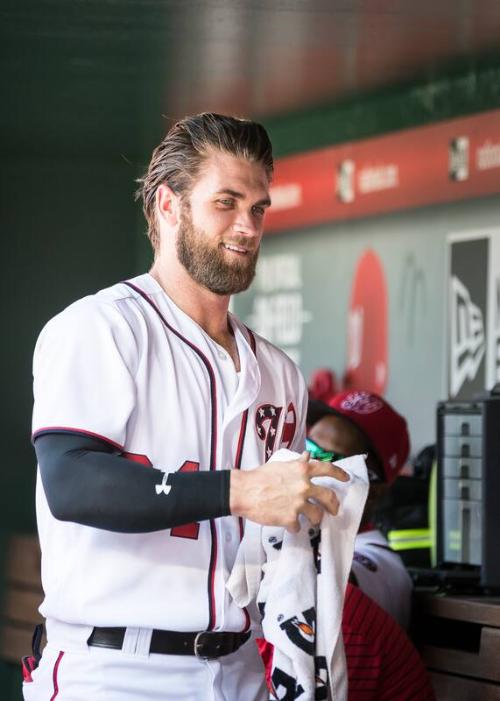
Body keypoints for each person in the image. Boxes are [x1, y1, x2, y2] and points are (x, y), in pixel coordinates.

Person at [26, 113, 348, 701]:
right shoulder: (100, 329)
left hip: (242, 668)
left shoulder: (279, 373)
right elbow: (70, 483)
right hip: (116, 670)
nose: (246, 226)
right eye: (225, 202)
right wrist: (241, 490)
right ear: (168, 206)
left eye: (258, 208)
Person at [307, 391, 414, 628]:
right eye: (308, 446)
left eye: (327, 457)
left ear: (374, 487)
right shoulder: (311, 535)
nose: (307, 462)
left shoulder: (384, 564)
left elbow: (327, 585)